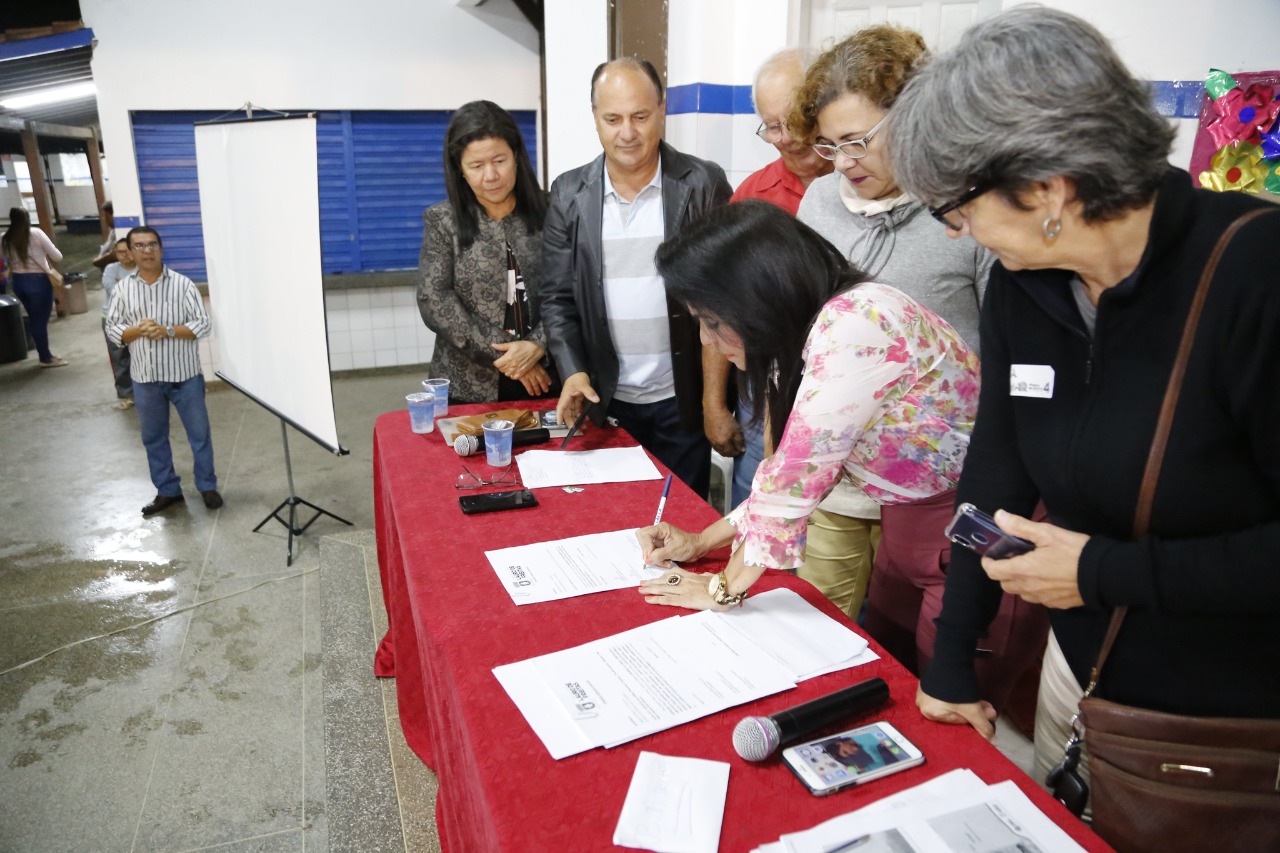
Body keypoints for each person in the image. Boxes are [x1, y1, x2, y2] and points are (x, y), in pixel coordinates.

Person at [887, 4, 1280, 795]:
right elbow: (993, 474)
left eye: (959, 207)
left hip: (1223, 720)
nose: (959, 232)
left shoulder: (1254, 274)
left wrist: (1102, 571)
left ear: (1048, 187)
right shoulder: (1022, 284)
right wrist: (953, 655)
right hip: (1079, 675)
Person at [783, 27, 1038, 706]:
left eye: (859, 140)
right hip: (839, 481)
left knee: (920, 664)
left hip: (936, 489)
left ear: (915, 118)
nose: (842, 161)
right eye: (829, 144)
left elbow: (1001, 352)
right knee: (816, 641)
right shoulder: (817, 205)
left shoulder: (965, 214)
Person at [635, 202, 978, 633]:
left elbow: (795, 481)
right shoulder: (803, 338)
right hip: (907, 523)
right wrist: (704, 541)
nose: (706, 338)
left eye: (712, 321)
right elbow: (785, 474)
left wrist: (721, 589)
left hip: (968, 530)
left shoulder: (854, 327)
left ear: (759, 295)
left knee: (946, 685)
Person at [539, 58, 733, 499]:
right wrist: (571, 371)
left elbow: (723, 301)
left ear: (662, 110)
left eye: (640, 116)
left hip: (679, 402)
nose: (627, 132)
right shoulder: (569, 194)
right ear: (595, 118)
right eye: (613, 119)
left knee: (683, 521)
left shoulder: (702, 183)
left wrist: (714, 402)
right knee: (613, 520)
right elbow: (556, 297)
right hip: (605, 403)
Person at [725, 48, 835, 509]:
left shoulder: (858, 187)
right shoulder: (753, 195)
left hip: (843, 397)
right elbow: (721, 311)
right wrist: (716, 403)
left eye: (794, 120)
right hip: (765, 392)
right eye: (772, 126)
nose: (786, 138)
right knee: (758, 501)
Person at [417, 100, 556, 404]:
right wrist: (513, 357)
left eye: (499, 160)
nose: (491, 175)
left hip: (546, 375)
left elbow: (573, 286)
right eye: (477, 166)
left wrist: (537, 345)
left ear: (517, 156)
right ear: (460, 170)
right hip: (467, 384)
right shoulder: (443, 221)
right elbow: (434, 299)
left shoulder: (553, 211)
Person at [106, 227, 223, 515]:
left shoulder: (183, 285)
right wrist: (138, 330)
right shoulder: (123, 288)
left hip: (185, 377)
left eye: (152, 244)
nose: (147, 250)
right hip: (145, 379)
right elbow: (113, 329)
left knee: (199, 434)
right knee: (153, 438)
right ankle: (168, 491)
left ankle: (207, 486)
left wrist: (167, 330)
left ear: (161, 248)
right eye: (140, 246)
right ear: (130, 253)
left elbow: (202, 325)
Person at [2, 207, 68, 368]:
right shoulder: (36, 233)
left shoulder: (4, 237)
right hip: (38, 282)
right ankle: (45, 358)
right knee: (39, 320)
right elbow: (57, 256)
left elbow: (2, 257)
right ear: (27, 218)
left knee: (34, 318)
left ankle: (46, 354)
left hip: (18, 282)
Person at [101, 237, 136, 409]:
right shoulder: (110, 269)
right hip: (113, 319)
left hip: (138, 320)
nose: (125, 255)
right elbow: (112, 290)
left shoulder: (142, 269)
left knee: (142, 356)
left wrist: (121, 283)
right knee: (120, 359)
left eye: (127, 251)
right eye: (120, 251)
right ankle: (127, 395)